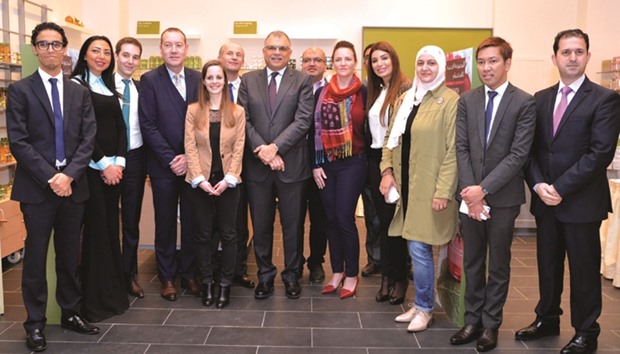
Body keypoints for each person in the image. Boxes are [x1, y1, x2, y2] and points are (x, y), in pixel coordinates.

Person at [516, 29, 620, 354]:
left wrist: (559, 188)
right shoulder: (540, 98)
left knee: (583, 270)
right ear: (554, 58)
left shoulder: (605, 99)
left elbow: (599, 153)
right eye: (565, 52)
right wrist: (538, 185)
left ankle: (586, 332)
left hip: (581, 203)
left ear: (587, 56)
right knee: (547, 266)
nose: (572, 57)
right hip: (545, 202)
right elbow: (529, 151)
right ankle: (547, 318)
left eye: (578, 52)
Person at [6, 22, 99, 352]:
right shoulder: (20, 91)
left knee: (69, 256)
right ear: (34, 49)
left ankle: (71, 313)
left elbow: (88, 139)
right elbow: (19, 142)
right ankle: (34, 324)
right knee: (34, 259)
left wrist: (69, 176)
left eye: (55, 44)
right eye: (43, 44)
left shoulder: (79, 92)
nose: (50, 50)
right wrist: (51, 177)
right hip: (38, 189)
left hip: (73, 187)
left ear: (64, 49)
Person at [450, 37, 536, 352]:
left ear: (507, 63)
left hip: (503, 198)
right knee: (472, 260)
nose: (486, 67)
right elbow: (461, 148)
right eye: (482, 62)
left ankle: (490, 324)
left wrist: (482, 190)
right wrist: (472, 193)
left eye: (493, 61)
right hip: (470, 196)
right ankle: (472, 320)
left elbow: (518, 155)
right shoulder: (467, 100)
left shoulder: (524, 102)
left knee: (498, 263)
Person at [379, 45, 459, 332]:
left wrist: (443, 191)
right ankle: (420, 303)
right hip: (406, 187)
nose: (425, 68)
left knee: (419, 248)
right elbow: (390, 139)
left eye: (431, 63)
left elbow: (453, 151)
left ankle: (425, 308)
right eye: (421, 63)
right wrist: (386, 171)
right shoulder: (405, 99)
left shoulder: (450, 101)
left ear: (441, 68)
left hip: (430, 186)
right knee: (415, 246)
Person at [238, 30, 313, 300]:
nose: (277, 52)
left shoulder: (303, 80)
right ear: (264, 51)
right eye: (272, 47)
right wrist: (263, 151)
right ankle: (265, 276)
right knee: (261, 225)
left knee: (293, 225)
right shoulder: (248, 80)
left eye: (282, 48)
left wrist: (275, 148)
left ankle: (292, 276)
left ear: (290, 53)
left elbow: (303, 120)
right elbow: (242, 120)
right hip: (258, 166)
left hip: (292, 166)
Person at [70, 35, 130, 322]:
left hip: (113, 173)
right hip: (91, 173)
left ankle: (112, 294)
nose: (102, 56)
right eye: (96, 51)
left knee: (109, 231)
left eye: (107, 52)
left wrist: (119, 163)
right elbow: (83, 131)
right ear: (84, 55)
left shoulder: (107, 85)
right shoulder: (76, 86)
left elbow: (120, 127)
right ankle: (95, 302)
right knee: (95, 234)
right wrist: (104, 164)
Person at [139, 27, 201, 301]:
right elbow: (148, 124)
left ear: (187, 49)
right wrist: (171, 158)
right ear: (161, 49)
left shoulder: (198, 79)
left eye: (179, 45)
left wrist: (189, 157)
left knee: (191, 220)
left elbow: (203, 122)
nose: (174, 50)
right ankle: (167, 276)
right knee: (164, 221)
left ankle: (188, 273)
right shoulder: (149, 80)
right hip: (163, 165)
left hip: (193, 164)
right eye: (168, 45)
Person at [185, 60, 246, 309]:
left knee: (230, 235)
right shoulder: (192, 110)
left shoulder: (237, 111)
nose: (214, 82)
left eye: (218, 77)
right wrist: (199, 179)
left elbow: (239, 147)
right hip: (201, 184)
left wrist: (229, 179)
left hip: (228, 183)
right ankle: (207, 282)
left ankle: (224, 284)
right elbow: (189, 146)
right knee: (203, 235)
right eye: (209, 77)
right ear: (204, 81)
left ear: (225, 80)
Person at [313, 40, 367, 299]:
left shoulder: (364, 92)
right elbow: (314, 131)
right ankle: (336, 271)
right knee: (330, 219)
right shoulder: (322, 93)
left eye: (348, 58)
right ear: (332, 63)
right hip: (326, 163)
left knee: (345, 217)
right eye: (338, 59)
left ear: (355, 62)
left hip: (353, 162)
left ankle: (352, 273)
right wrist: (315, 164)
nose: (343, 63)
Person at [366, 41, 411, 305]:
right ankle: (387, 277)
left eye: (384, 58)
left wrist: (390, 170)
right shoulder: (376, 90)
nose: (380, 63)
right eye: (374, 60)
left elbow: (400, 134)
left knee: (396, 223)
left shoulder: (406, 89)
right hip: (374, 161)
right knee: (382, 223)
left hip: (392, 163)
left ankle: (400, 279)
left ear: (393, 60)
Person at [217, 42, 255, 289]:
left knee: (240, 220)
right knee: (214, 221)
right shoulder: (209, 84)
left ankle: (237, 269)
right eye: (229, 53)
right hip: (216, 163)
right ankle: (212, 269)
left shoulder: (249, 86)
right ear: (219, 57)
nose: (233, 57)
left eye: (238, 54)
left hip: (247, 162)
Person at [114, 36, 147, 299]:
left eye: (135, 57)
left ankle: (129, 276)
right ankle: (107, 275)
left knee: (131, 223)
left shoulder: (140, 88)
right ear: (117, 56)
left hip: (135, 158)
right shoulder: (100, 86)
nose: (130, 61)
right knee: (104, 221)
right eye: (126, 55)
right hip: (106, 162)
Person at [301, 46, 329, 283]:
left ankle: (316, 260)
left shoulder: (332, 91)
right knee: (294, 216)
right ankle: (294, 259)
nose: (312, 64)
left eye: (317, 60)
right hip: (295, 163)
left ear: (325, 64)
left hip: (322, 165)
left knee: (320, 217)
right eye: (307, 60)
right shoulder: (292, 89)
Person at [360, 42, 382, 277]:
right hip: (366, 160)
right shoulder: (363, 89)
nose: (373, 63)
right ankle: (374, 258)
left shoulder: (400, 89)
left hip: (390, 160)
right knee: (372, 214)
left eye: (376, 58)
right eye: (369, 59)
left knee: (394, 214)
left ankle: (402, 261)